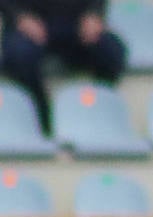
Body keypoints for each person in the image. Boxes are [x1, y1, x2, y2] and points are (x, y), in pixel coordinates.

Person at [0, 0, 127, 135]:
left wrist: (94, 14)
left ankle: (95, 110)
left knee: (112, 51)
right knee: (20, 55)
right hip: (29, 23)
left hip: (76, 24)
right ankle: (41, 116)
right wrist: (20, 17)